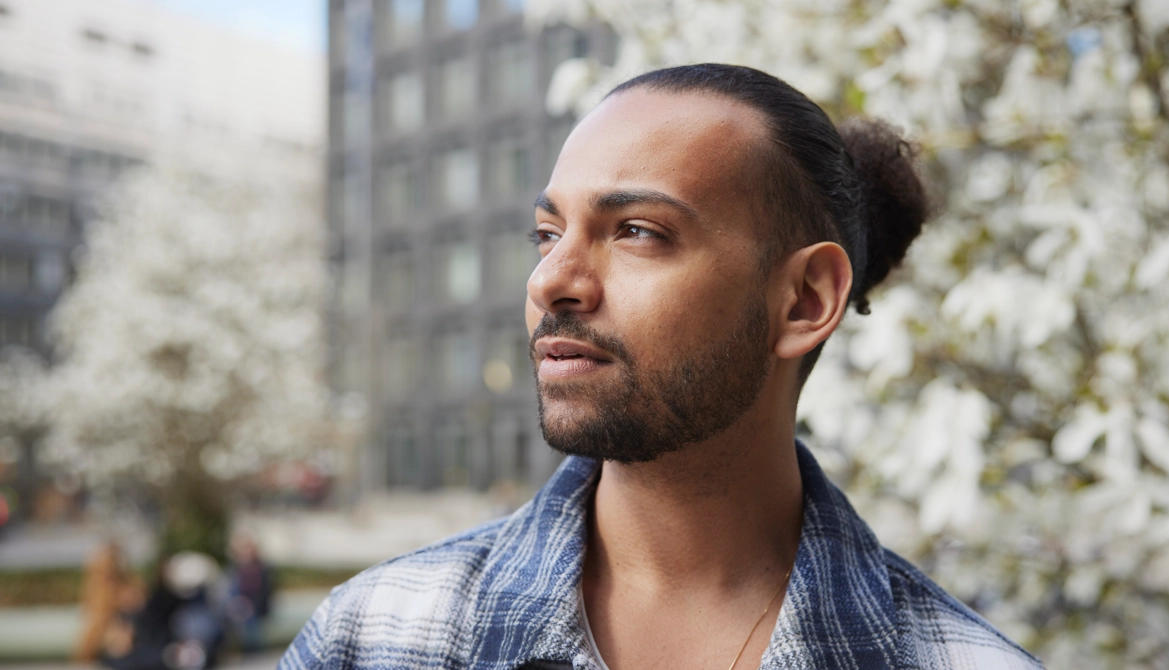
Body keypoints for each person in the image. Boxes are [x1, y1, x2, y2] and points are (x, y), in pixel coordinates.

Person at [281, 64, 1043, 669]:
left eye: (638, 231)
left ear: (807, 299)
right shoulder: (373, 640)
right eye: (547, 234)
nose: (551, 280)